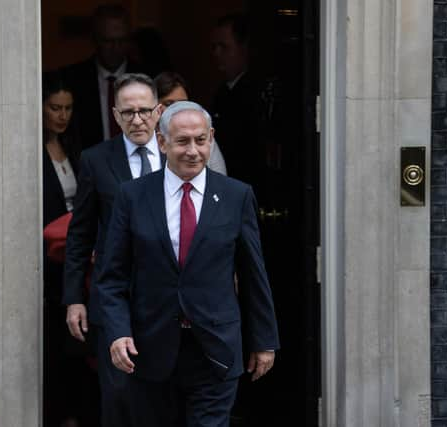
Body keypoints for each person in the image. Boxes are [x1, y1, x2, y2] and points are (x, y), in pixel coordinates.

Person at [97, 101, 280, 427]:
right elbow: (112, 275)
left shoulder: (236, 196)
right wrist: (117, 332)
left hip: (215, 349)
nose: (192, 150)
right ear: (163, 142)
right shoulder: (133, 196)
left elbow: (253, 273)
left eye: (200, 140)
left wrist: (264, 340)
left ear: (211, 138)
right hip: (149, 349)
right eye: (182, 141)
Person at [63, 73, 164, 427]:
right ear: (115, 114)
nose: (137, 119)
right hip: (113, 299)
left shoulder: (178, 154)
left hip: (167, 302)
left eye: (144, 111)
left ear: (159, 112)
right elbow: (80, 234)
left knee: (162, 400)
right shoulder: (95, 159)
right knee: (118, 397)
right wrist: (74, 297)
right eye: (128, 112)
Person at [41, 71, 99, 427]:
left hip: (76, 256)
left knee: (79, 344)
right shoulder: (30, 149)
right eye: (54, 107)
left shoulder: (77, 147)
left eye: (68, 108)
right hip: (49, 259)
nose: (62, 115)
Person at [61, 4, 141, 150]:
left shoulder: (145, 77)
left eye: (121, 41)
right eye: (108, 41)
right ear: (95, 40)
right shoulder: (73, 79)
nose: (115, 48)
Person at [209, 13, 263, 188]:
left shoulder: (257, 93)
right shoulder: (222, 92)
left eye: (224, 47)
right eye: (214, 47)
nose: (216, 53)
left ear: (243, 48)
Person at [154, 71, 227, 175]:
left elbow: (220, 180)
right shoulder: (145, 139)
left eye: (183, 103)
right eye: (169, 104)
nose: (177, 109)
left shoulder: (204, 137)